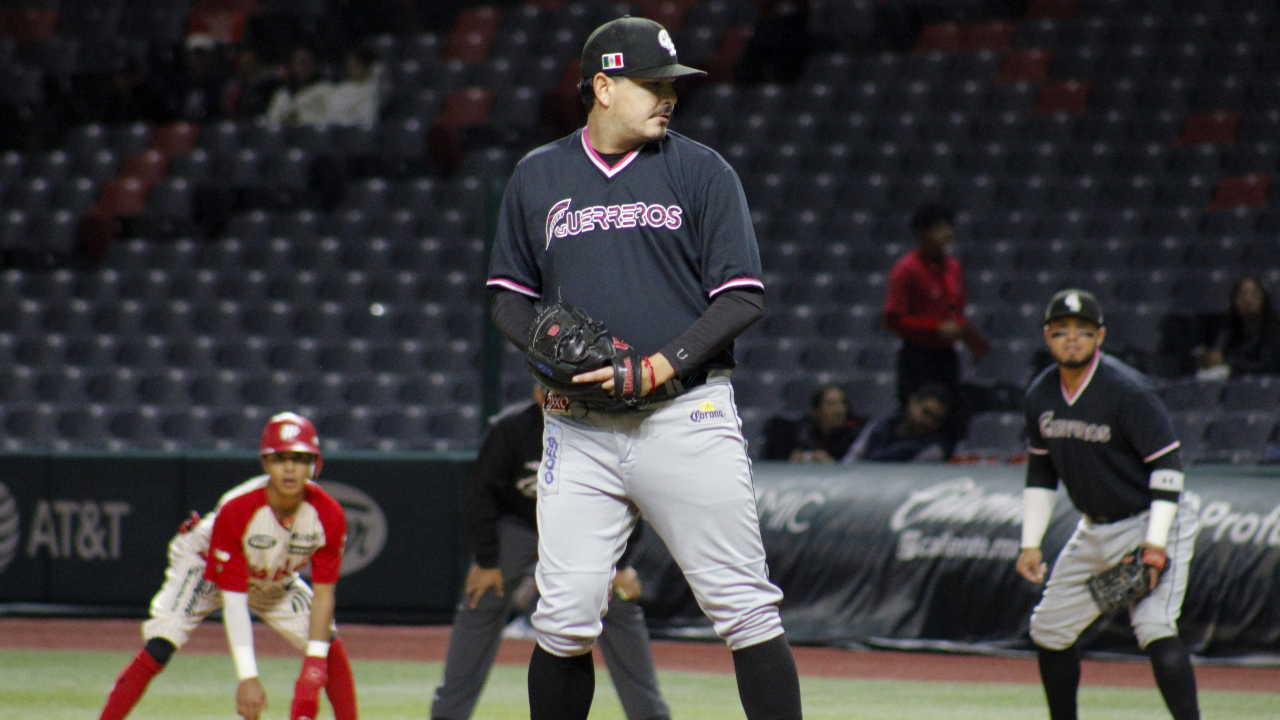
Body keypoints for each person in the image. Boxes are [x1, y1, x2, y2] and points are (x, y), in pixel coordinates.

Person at [485, 16, 803, 720]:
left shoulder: (700, 170)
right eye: (652, 83)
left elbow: (741, 296)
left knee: (744, 610)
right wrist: (542, 349)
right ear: (602, 86)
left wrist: (658, 365)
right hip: (579, 429)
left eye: (672, 85)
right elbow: (508, 296)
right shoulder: (539, 175)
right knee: (563, 621)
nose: (668, 96)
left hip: (684, 416)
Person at [97, 412, 357, 720]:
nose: (290, 468)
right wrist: (248, 677)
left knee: (328, 646)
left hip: (270, 576)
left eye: (300, 458)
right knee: (160, 646)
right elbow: (234, 604)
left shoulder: (328, 514)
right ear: (265, 464)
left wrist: (312, 673)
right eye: (280, 458)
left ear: (315, 465)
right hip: (205, 566)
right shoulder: (238, 508)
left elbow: (324, 595)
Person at [431, 387, 670, 720]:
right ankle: (447, 715)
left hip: (585, 530)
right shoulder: (513, 428)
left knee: (618, 605)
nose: (549, 394)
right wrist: (486, 561)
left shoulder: (603, 426)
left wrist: (621, 564)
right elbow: (480, 494)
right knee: (481, 598)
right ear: (536, 389)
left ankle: (651, 716)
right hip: (522, 527)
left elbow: (631, 495)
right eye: (545, 387)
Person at [1016, 290, 1200, 720]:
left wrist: (1155, 544)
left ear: (1100, 336)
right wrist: (1030, 543)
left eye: (1083, 331)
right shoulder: (1040, 396)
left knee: (1153, 626)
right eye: (1061, 331)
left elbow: (1168, 469)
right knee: (1050, 629)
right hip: (1095, 527)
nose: (1072, 339)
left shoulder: (1128, 391)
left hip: (1153, 519)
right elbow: (1041, 473)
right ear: (1047, 336)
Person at [883, 203, 989, 406]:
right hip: (917, 357)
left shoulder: (953, 267)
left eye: (948, 227)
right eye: (940, 228)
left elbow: (957, 311)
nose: (947, 233)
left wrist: (973, 343)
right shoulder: (906, 269)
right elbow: (893, 319)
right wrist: (935, 329)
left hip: (947, 356)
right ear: (922, 232)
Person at [1195, 276, 1280, 380]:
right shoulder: (1228, 329)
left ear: (1263, 298)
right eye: (1243, 295)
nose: (1248, 301)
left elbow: (1268, 366)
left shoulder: (1273, 331)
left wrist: (1228, 362)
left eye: (1254, 295)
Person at [847, 383, 955, 462]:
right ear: (912, 403)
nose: (928, 422)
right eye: (926, 412)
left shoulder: (933, 450)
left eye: (935, 420)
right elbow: (852, 459)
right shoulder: (879, 425)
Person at [761, 384, 864, 462]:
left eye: (842, 403)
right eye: (831, 404)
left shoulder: (856, 435)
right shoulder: (800, 433)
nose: (839, 410)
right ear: (816, 410)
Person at [265, 47, 333, 127]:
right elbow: (271, 120)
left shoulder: (325, 89)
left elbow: (331, 118)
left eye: (309, 62)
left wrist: (300, 120)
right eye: (301, 63)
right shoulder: (282, 94)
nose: (305, 67)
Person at [326, 46, 387, 127]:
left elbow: (382, 82)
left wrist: (376, 70)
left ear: (367, 67)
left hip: (362, 131)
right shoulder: (343, 87)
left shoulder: (373, 88)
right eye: (350, 65)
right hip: (339, 129)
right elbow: (332, 113)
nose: (352, 69)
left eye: (356, 65)